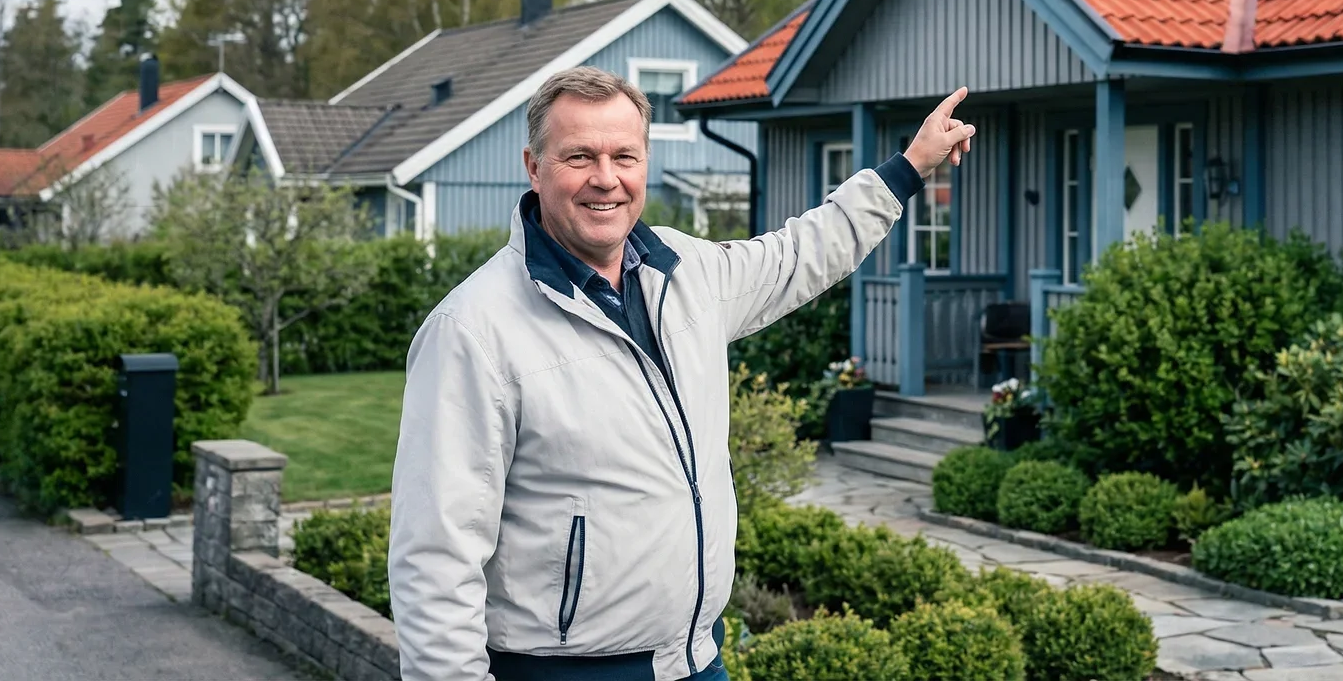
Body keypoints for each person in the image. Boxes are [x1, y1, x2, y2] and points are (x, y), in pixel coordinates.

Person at [387, 66, 975, 681]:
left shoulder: (685, 270)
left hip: (695, 661)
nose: (605, 179)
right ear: (534, 167)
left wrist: (907, 169)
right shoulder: (472, 332)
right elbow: (436, 557)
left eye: (624, 156)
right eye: (579, 156)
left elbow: (799, 253)